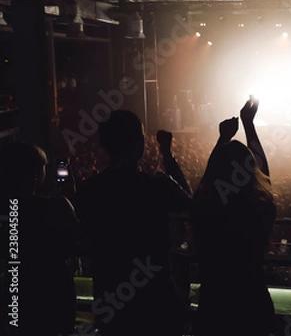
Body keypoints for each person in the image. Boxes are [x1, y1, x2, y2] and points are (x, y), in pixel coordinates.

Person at [74, 110, 191, 336]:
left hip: (110, 297)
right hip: (155, 300)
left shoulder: (88, 191)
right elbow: (187, 202)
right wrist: (167, 155)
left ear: (104, 144)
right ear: (139, 144)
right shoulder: (157, 187)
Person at [192, 96, 276, 336]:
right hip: (252, 301)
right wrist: (248, 124)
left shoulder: (207, 210)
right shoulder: (258, 209)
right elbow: (265, 180)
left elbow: (205, 184)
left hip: (215, 304)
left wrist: (222, 140)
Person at [0, 142, 79, 336]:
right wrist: (70, 202)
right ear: (36, 174)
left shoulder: (8, 211)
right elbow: (77, 244)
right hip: (52, 301)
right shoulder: (56, 207)